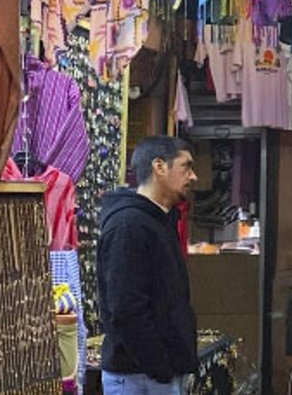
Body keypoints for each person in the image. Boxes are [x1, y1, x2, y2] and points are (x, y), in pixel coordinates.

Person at [98, 136, 199, 394]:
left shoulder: (159, 221)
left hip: (154, 375)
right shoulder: (129, 226)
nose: (194, 176)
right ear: (159, 166)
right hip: (139, 377)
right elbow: (126, 307)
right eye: (186, 167)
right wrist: (158, 366)